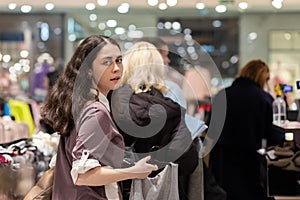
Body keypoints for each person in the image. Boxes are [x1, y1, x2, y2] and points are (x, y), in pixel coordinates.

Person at [40, 35, 158, 200]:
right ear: (88, 69)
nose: (116, 68)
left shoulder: (81, 103)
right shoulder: (95, 111)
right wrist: (133, 172)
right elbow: (83, 175)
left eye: (119, 60)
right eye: (106, 62)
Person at [110, 41, 198, 200]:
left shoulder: (108, 102)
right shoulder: (171, 111)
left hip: (116, 189)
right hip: (158, 190)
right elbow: (188, 162)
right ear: (158, 70)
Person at [209, 59, 284, 200]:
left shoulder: (221, 96)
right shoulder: (264, 99)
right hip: (249, 163)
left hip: (221, 162)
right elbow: (273, 135)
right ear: (263, 78)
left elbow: (210, 132)